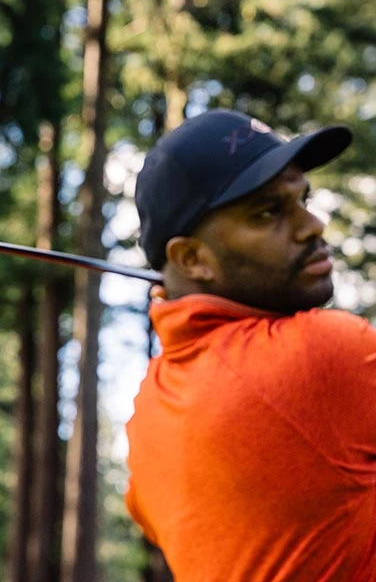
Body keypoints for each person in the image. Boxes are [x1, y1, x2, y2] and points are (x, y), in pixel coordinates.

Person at [125, 108, 376, 581]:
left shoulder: (147, 414)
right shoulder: (323, 355)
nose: (313, 225)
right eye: (268, 212)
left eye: (303, 199)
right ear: (192, 258)